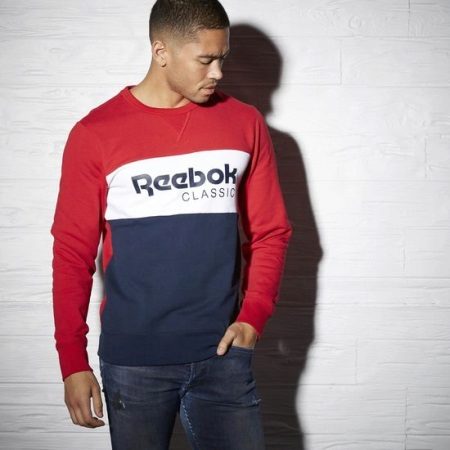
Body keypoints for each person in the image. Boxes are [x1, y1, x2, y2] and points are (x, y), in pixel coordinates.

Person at [50, 0, 293, 448]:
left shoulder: (244, 123)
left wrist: (253, 317)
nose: (218, 72)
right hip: (134, 362)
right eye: (206, 59)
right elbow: (71, 253)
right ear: (161, 51)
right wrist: (72, 362)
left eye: (223, 58)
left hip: (223, 355)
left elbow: (271, 232)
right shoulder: (96, 133)